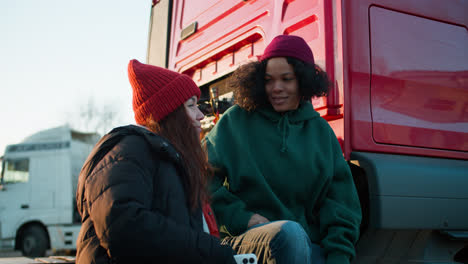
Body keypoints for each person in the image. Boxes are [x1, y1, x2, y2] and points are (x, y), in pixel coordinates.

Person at [204, 35, 362, 264]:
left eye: (286, 79)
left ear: (304, 81)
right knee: (290, 236)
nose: (276, 88)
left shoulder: (320, 132)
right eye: (268, 80)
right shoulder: (236, 122)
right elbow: (200, 175)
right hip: (247, 242)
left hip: (306, 246)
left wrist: (339, 256)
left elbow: (341, 205)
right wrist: (240, 217)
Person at [75, 59, 237, 264]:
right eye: (191, 106)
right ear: (169, 113)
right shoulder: (131, 150)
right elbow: (122, 224)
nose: (200, 115)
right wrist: (207, 250)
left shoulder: (167, 158)